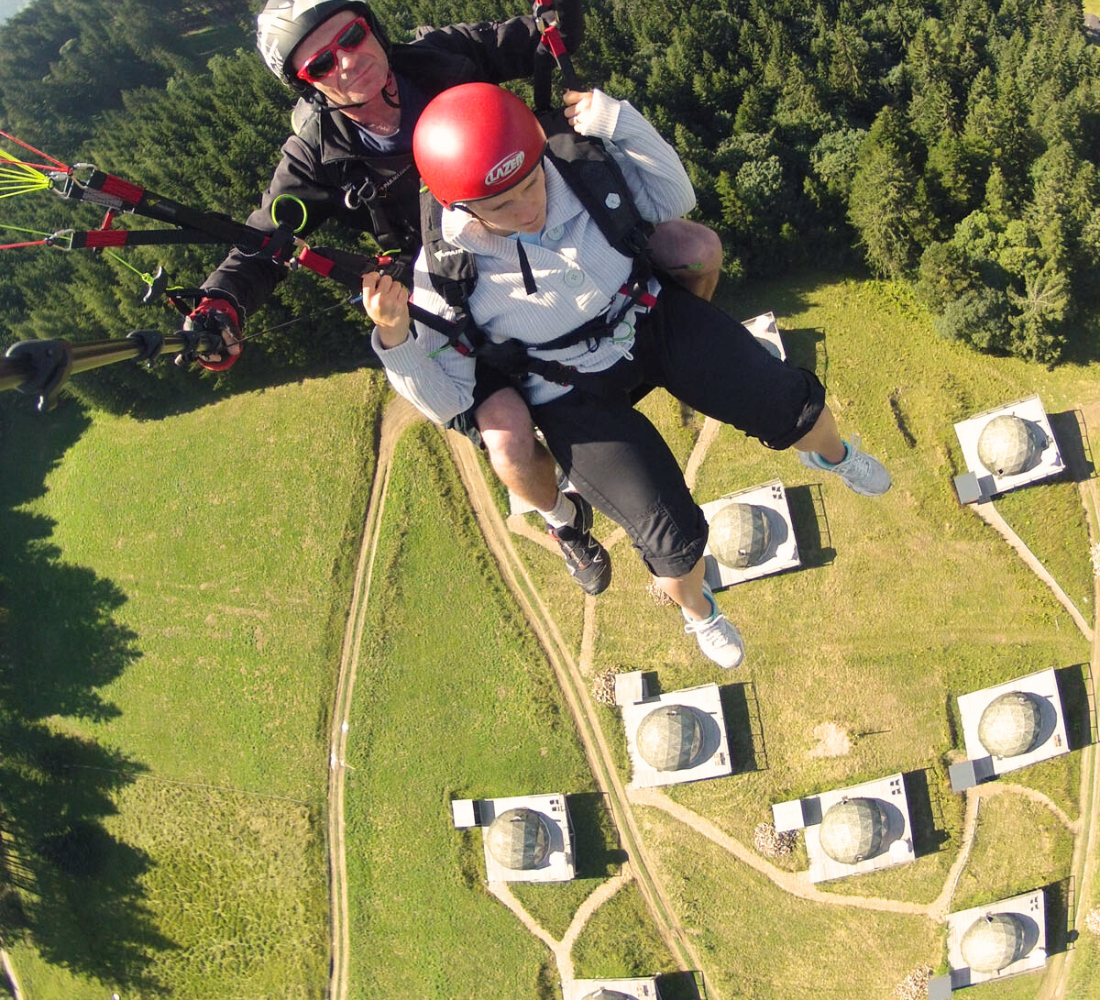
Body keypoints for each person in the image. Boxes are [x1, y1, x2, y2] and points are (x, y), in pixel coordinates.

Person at [190, 0, 723, 597]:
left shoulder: (442, 57)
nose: (348, 62)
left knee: (696, 249)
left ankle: (672, 349)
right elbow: (266, 240)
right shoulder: (318, 154)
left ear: (373, 28)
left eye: (353, 37)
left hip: (543, 225)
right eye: (321, 63)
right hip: (461, 287)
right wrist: (222, 304)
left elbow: (544, 37)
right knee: (507, 437)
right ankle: (563, 522)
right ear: (306, 84)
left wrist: (556, 11)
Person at [361, 83, 892, 669]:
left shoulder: (577, 170)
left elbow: (673, 196)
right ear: (462, 207)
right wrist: (394, 338)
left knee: (792, 404)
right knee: (669, 539)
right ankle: (700, 613)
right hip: (567, 384)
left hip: (646, 316)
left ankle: (836, 456)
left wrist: (619, 121)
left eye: (531, 184)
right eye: (503, 207)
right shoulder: (443, 271)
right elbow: (446, 399)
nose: (528, 209)